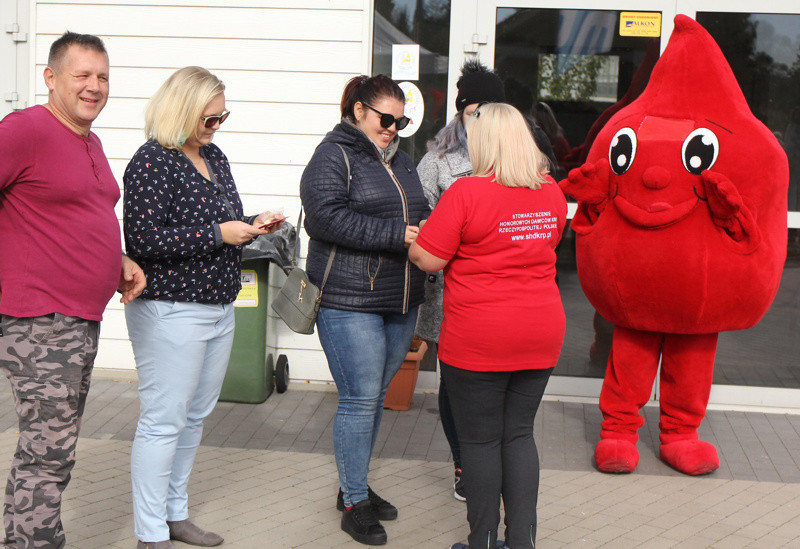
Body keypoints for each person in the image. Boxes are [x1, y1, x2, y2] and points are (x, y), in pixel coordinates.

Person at [122, 66, 282, 549]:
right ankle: (150, 533)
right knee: (163, 420)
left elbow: (224, 220)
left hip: (217, 306)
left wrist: (253, 223)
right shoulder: (152, 161)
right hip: (170, 309)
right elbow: (143, 240)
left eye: (222, 117)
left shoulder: (215, 156)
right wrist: (219, 234)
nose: (217, 126)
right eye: (209, 119)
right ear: (182, 111)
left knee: (193, 417)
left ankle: (175, 513)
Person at [0, 32, 146, 548]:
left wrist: (117, 259)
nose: (94, 86)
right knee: (50, 451)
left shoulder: (90, 140)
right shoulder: (25, 131)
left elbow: (78, 215)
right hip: (40, 320)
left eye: (102, 77)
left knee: (43, 449)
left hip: (78, 318)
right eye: (82, 75)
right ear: (51, 78)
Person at [409, 103, 567, 549]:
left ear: (484, 143)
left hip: (480, 335)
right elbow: (547, 242)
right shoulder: (551, 192)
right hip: (539, 330)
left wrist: (416, 237)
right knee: (518, 435)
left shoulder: (466, 193)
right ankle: (522, 542)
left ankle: (480, 542)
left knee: (479, 443)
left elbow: (429, 258)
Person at [299, 74, 429, 546]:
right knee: (358, 397)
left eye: (402, 121)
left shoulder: (402, 161)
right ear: (358, 111)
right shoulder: (333, 156)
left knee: (372, 396)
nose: (393, 128)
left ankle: (351, 486)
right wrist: (397, 235)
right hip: (348, 300)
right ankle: (354, 503)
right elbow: (325, 218)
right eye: (386, 118)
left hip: (399, 299)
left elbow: (419, 213)